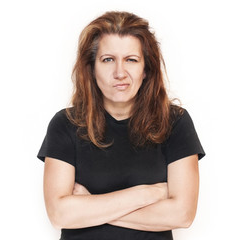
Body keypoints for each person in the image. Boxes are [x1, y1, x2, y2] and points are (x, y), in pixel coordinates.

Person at [37, 11, 205, 240]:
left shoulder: (175, 122)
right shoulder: (65, 124)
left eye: (131, 60)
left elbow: (182, 214)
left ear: (146, 69)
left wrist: (88, 207)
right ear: (92, 68)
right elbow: (60, 215)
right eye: (108, 59)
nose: (120, 73)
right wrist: (149, 193)